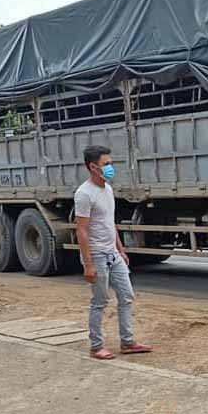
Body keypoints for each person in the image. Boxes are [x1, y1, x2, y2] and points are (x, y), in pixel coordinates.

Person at [75, 145, 151, 360]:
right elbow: (81, 230)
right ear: (93, 167)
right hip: (97, 256)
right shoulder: (84, 194)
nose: (111, 168)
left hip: (113, 254)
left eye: (110, 163)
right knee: (100, 302)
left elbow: (110, 223)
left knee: (126, 296)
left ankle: (128, 342)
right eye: (106, 164)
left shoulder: (107, 189)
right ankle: (96, 346)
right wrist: (88, 264)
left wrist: (120, 249)